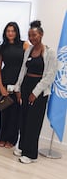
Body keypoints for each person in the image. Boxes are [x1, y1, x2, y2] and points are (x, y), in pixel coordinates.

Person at [13, 20, 57, 164]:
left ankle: (31, 154)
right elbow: (22, 71)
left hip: (39, 91)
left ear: (41, 34)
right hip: (26, 86)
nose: (32, 38)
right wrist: (18, 88)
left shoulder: (49, 52)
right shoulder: (29, 50)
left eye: (35, 35)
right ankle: (22, 146)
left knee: (34, 122)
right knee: (23, 119)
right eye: (30, 35)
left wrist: (35, 92)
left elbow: (50, 76)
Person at [0, 22, 29, 148]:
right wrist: (1, 86)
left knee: (15, 113)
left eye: (13, 31)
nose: (10, 33)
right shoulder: (2, 47)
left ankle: (12, 139)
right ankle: (2, 137)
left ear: (17, 32)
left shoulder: (24, 44)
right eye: (8, 31)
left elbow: (29, 64)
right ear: (5, 33)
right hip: (5, 81)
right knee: (4, 112)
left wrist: (20, 86)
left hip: (19, 83)